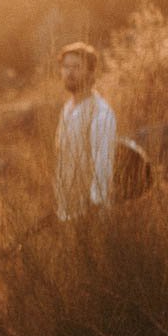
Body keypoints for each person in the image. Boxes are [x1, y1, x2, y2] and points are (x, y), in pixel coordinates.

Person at [55, 41, 117, 221]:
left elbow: (103, 163)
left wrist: (95, 205)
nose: (69, 73)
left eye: (76, 67)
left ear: (91, 72)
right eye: (66, 67)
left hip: (90, 214)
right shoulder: (67, 109)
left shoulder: (101, 112)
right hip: (66, 208)